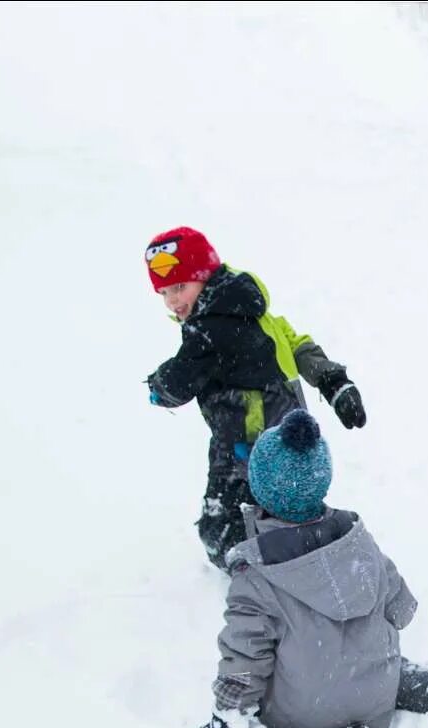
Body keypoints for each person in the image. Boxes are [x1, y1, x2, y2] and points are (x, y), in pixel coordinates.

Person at [210, 410, 428, 728]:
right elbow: (401, 610)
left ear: (261, 489)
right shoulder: (357, 541)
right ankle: (403, 684)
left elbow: (244, 662)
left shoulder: (256, 576)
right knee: (360, 658)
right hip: (377, 701)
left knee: (295, 714)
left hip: (305, 718)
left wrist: (226, 715)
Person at [144, 226, 367, 566]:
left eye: (179, 286)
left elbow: (179, 383)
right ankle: (310, 565)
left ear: (205, 278)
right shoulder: (250, 309)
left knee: (225, 530)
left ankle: (265, 587)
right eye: (164, 293)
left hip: (243, 446)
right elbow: (295, 344)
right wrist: (334, 383)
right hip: (291, 431)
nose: (173, 300)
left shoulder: (207, 329)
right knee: (292, 509)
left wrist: (159, 387)